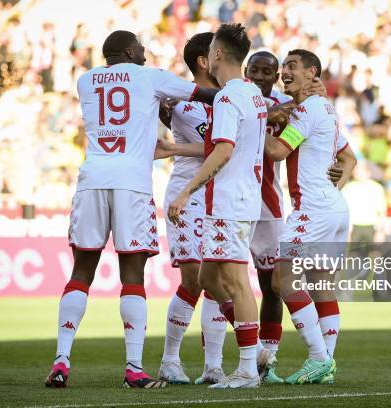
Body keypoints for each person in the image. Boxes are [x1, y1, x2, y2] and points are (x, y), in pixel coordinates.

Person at [44, 30, 219, 389]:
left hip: (92, 178)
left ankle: (61, 360)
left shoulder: (85, 80)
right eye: (139, 47)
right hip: (132, 183)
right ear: (128, 50)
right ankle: (134, 368)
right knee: (133, 274)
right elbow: (208, 95)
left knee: (81, 270)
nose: (144, 51)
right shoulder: (151, 76)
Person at [244, 51, 356, 383]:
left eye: (292, 66)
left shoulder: (308, 109)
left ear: (312, 74)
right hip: (333, 206)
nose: (284, 72)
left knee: (282, 282)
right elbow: (349, 157)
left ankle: (319, 358)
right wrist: (338, 182)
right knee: (322, 285)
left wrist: (255, 126)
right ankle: (327, 365)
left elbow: (277, 152)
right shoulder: (324, 108)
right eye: (285, 67)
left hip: (314, 209)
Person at [167, 23, 267, 389]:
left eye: (210, 50)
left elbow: (223, 150)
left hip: (230, 200)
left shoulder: (227, 98)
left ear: (217, 56)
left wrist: (185, 192)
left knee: (238, 284)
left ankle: (246, 370)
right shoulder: (253, 94)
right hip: (241, 198)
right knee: (209, 278)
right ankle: (252, 346)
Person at [157, 32, 228, 386]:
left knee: (216, 278)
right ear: (204, 61)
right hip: (188, 196)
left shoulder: (228, 99)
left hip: (220, 197)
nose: (226, 60)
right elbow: (216, 147)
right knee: (194, 279)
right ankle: (169, 360)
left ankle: (213, 366)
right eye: (219, 54)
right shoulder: (181, 102)